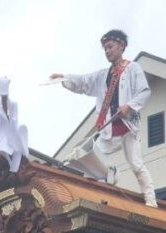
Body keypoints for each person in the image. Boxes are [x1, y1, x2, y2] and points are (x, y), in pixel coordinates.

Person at [51, 29, 157, 206]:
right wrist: (63, 78)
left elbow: (144, 91)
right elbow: (84, 81)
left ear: (121, 46)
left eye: (110, 46)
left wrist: (129, 106)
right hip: (109, 129)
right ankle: (105, 184)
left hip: (128, 128)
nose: (107, 51)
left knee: (136, 164)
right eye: (105, 48)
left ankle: (151, 200)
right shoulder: (103, 76)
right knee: (91, 160)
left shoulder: (133, 69)